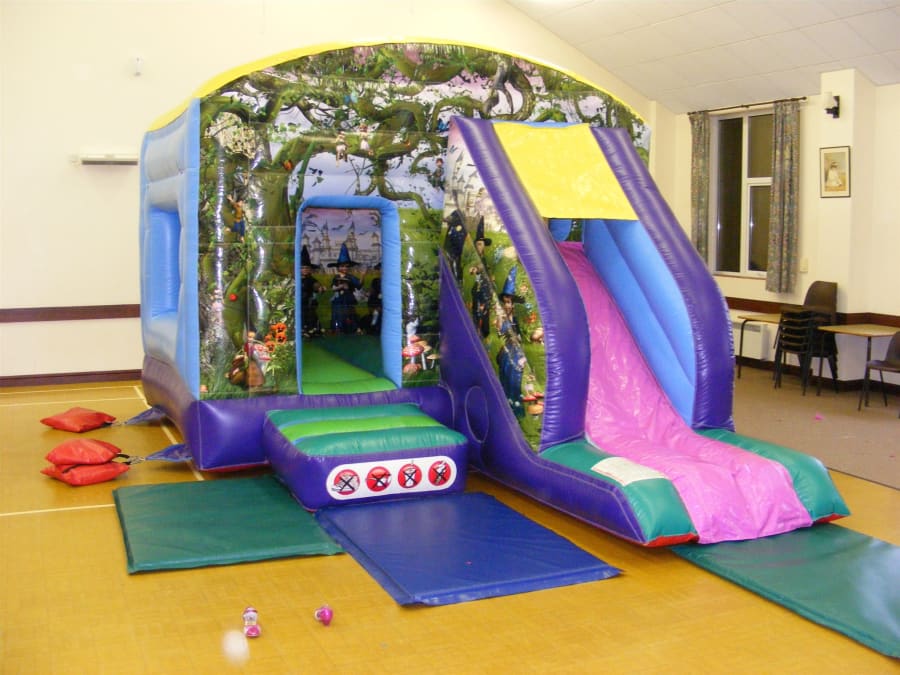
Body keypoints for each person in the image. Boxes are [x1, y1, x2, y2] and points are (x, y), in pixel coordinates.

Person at [328, 243, 363, 333]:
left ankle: (351, 328)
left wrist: (362, 276)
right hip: (338, 299)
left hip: (348, 298)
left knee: (349, 313)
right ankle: (338, 328)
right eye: (342, 266)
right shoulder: (336, 277)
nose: (344, 268)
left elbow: (359, 285)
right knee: (338, 313)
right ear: (338, 267)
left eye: (347, 266)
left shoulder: (351, 277)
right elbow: (333, 288)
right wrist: (340, 287)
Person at [299, 245, 324, 337]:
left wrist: (320, 288)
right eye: (302, 268)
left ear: (310, 269)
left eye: (307, 268)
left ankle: (311, 330)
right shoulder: (296, 279)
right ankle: (301, 330)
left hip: (308, 303)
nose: (305, 270)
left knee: (310, 316)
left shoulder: (311, 279)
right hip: (298, 302)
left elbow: (316, 285)